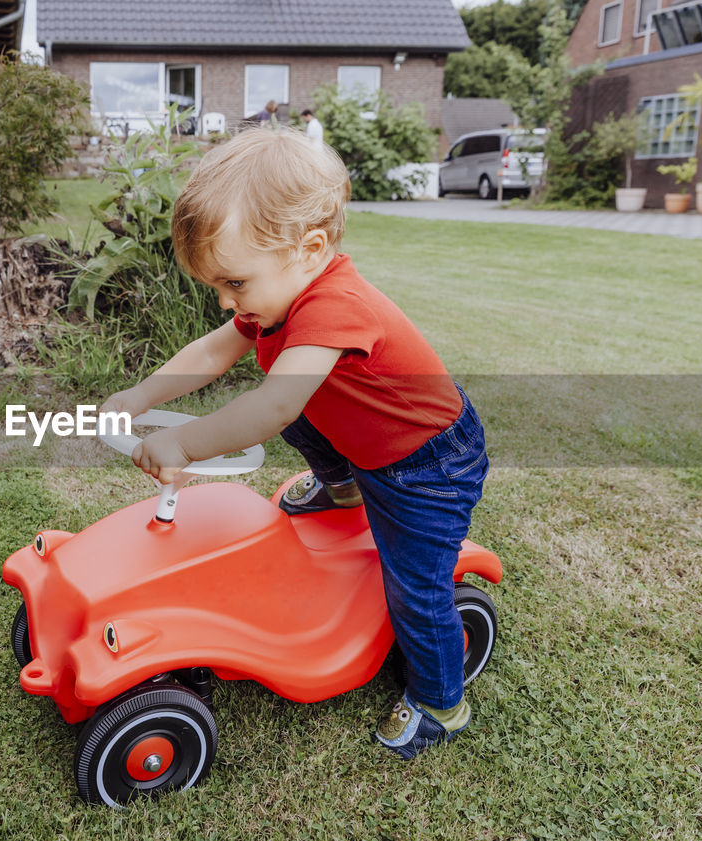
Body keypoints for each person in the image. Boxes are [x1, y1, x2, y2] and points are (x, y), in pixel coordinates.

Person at [100, 128, 488, 759]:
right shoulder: (275, 300)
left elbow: (271, 406)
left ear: (309, 250)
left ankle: (441, 704)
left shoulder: (335, 306)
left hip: (426, 466)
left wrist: (185, 445)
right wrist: (142, 396)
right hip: (368, 442)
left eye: (235, 283)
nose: (228, 302)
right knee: (299, 411)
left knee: (416, 587)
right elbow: (211, 352)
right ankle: (344, 487)